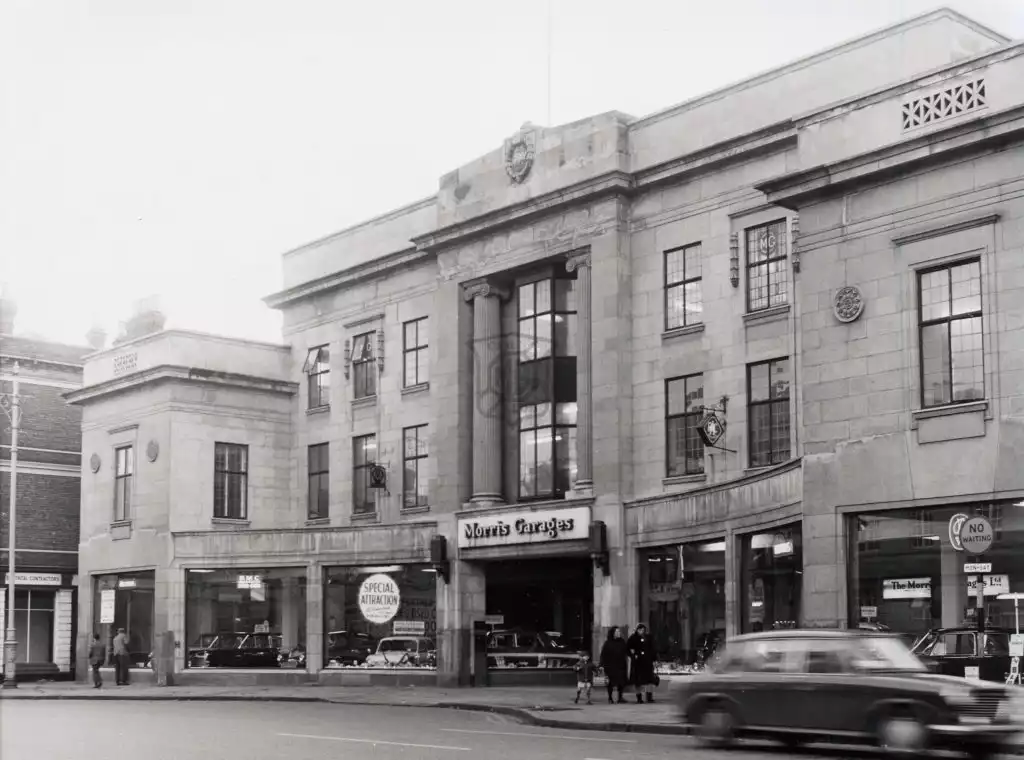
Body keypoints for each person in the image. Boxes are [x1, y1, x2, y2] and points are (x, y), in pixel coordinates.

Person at [627, 623, 658, 703]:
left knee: (649, 680)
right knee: (639, 681)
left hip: (648, 661)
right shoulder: (633, 638)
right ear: (637, 630)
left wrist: (654, 659)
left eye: (643, 630)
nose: (642, 631)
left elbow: (653, 649)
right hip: (638, 662)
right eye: (640, 630)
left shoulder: (648, 637)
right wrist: (633, 655)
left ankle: (649, 696)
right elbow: (628, 648)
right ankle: (639, 697)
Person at [599, 626, 629, 704]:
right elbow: (603, 654)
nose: (618, 633)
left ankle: (620, 697)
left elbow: (627, 651)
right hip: (610, 665)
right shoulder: (608, 643)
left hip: (621, 665)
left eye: (619, 632)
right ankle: (610, 697)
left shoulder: (622, 642)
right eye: (617, 632)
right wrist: (601, 665)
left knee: (621, 682)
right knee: (611, 682)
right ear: (613, 633)